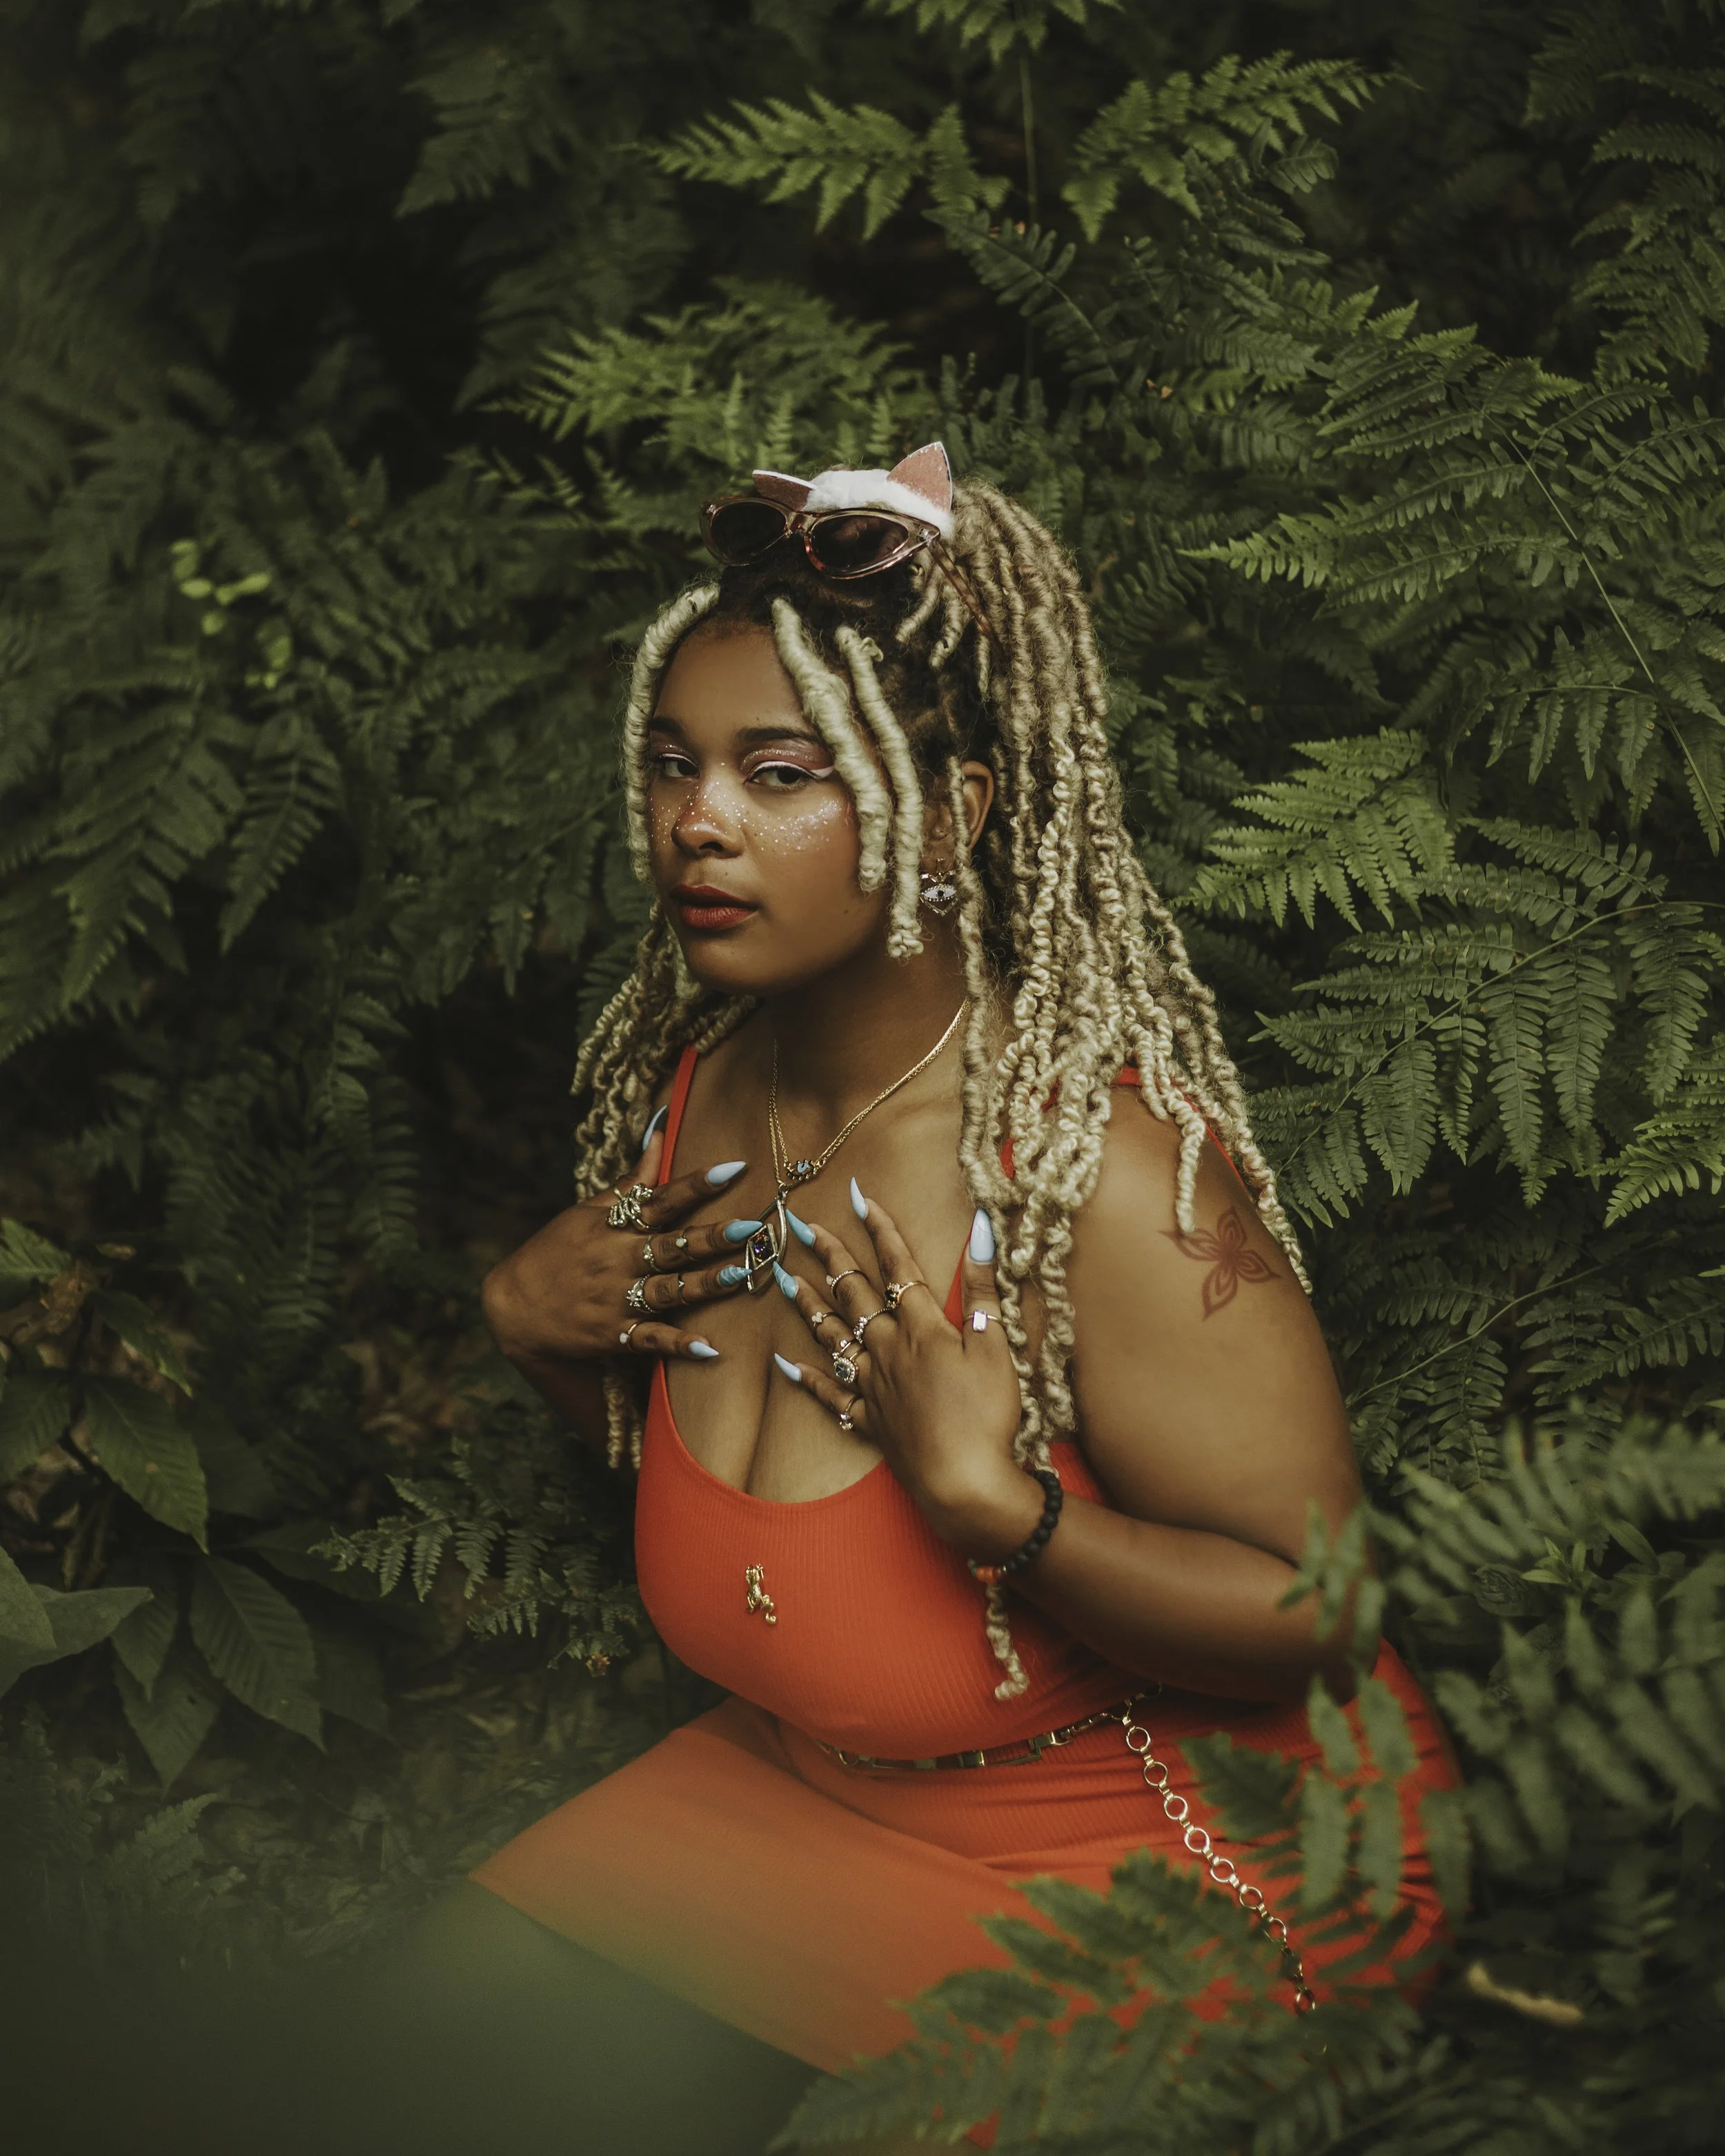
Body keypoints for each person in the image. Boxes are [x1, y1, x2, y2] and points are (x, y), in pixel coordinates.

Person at [444, 446, 1457, 2154]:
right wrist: (544, 1340)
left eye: (780, 773)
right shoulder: (689, 1103)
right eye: (675, 765)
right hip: (818, 1785)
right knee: (396, 2062)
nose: (698, 819)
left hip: (1191, 1859)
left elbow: (1321, 1609)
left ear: (957, 814)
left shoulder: (1096, 1179)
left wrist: (1008, 1512)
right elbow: (776, 1563)